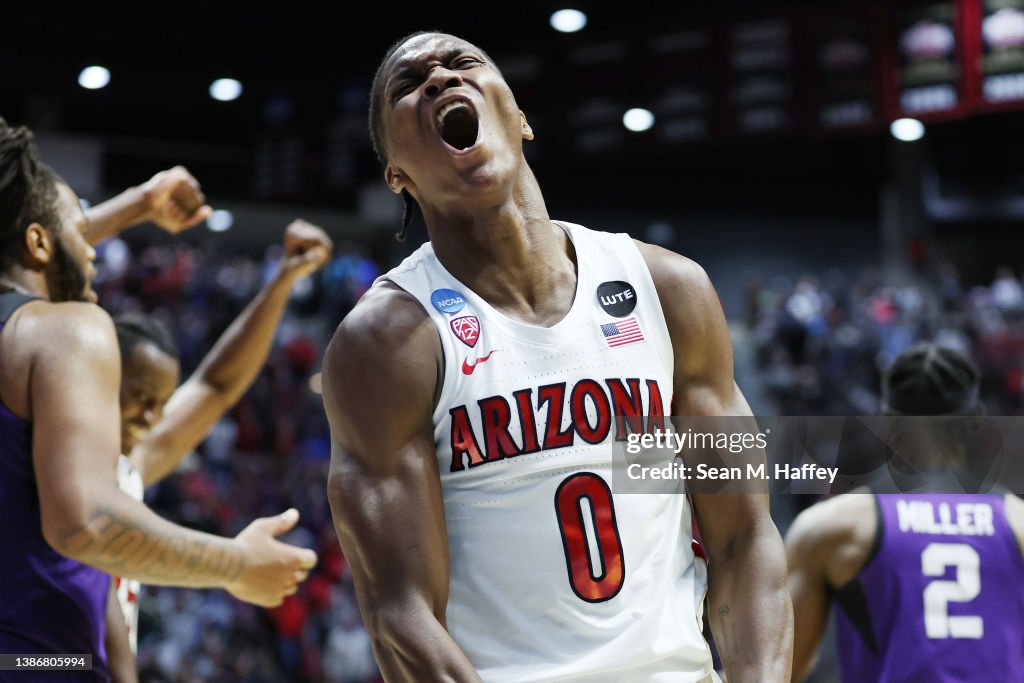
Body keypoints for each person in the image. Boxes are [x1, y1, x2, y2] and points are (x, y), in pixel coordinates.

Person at [322, 32, 792, 682]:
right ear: (396, 173)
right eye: (408, 85)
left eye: (461, 64)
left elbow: (746, 538)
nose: (438, 80)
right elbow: (400, 616)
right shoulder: (384, 341)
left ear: (519, 118)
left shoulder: (670, 291)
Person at [0, 119, 317, 682]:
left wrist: (140, 203)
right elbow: (85, 525)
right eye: (85, 227)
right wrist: (237, 564)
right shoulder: (67, 330)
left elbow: (42, 237)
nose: (98, 249)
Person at [89, 206, 331, 667]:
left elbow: (215, 386)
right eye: (138, 395)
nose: (153, 413)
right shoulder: (58, 464)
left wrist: (281, 283)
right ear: (100, 381)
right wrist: (234, 564)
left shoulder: (130, 464)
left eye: (160, 400)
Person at [785, 342, 1024, 682]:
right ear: (975, 423)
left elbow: (779, 669)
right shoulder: (1017, 521)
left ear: (886, 424)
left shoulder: (834, 526)